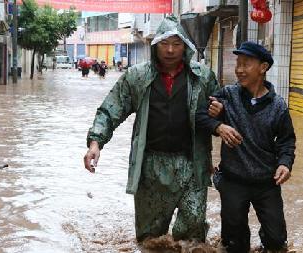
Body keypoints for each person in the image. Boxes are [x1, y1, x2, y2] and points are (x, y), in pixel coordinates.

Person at [83, 15, 220, 243]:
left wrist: (219, 113)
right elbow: (111, 109)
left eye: (176, 44)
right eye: (164, 44)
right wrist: (95, 143)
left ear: (185, 47)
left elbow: (224, 112)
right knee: (151, 238)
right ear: (155, 46)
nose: (170, 50)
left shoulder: (202, 77)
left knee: (193, 232)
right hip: (150, 166)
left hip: (192, 163)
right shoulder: (137, 77)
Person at [196, 41, 296, 253]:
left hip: (266, 183)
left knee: (276, 242)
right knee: (234, 244)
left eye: (246, 64)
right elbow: (199, 115)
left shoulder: (278, 106)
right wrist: (219, 126)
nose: (239, 70)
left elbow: (286, 140)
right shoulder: (227, 95)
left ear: (263, 67)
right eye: (237, 63)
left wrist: (285, 164)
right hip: (233, 181)